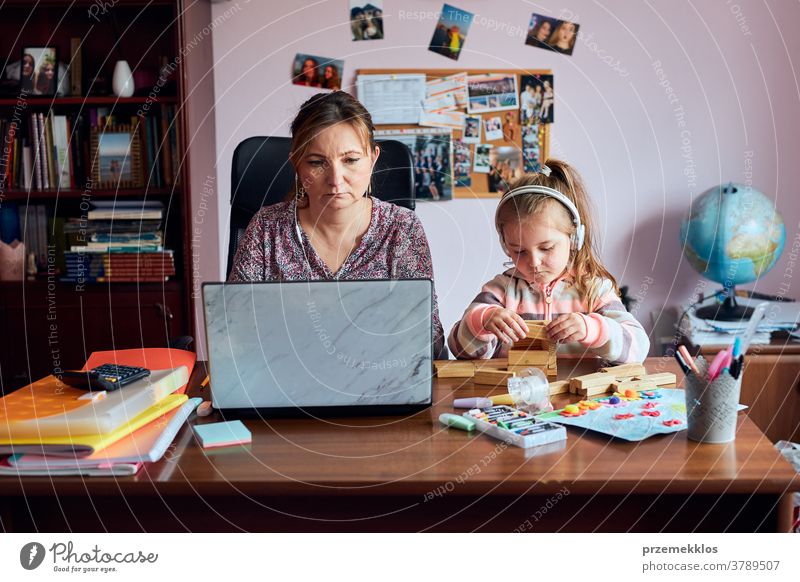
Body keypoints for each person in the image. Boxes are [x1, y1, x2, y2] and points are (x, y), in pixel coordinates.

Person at [229, 91, 445, 356]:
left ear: (373, 159)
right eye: (317, 163)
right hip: (284, 384)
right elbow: (233, 332)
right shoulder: (266, 228)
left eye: (351, 160)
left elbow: (428, 339)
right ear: (296, 163)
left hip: (379, 383)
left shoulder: (402, 227)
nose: (336, 180)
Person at [448, 160, 649, 363]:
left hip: (580, 395)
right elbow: (459, 350)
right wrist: (481, 321)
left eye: (546, 248)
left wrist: (594, 329)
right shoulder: (501, 291)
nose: (534, 262)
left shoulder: (594, 290)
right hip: (513, 394)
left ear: (574, 239)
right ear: (505, 246)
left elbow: (638, 349)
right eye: (519, 251)